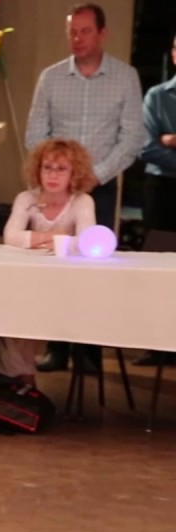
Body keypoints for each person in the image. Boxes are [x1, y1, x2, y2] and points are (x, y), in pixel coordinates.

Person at [25, 2, 143, 373]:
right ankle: (57, 347)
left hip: (99, 187)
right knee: (58, 267)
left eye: (85, 31)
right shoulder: (51, 78)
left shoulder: (125, 78)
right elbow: (34, 134)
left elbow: (132, 138)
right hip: (55, 191)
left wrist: (97, 175)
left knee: (94, 269)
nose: (77, 38)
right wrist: (55, 174)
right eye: (72, 32)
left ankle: (89, 352)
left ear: (102, 34)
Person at [0, 139, 96, 385]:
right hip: (27, 281)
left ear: (74, 173)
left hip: (67, 286)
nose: (53, 175)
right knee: (4, 312)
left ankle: (20, 382)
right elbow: (10, 237)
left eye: (61, 169)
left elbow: (86, 243)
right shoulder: (26, 198)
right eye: (47, 168)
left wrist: (34, 240)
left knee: (25, 311)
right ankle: (22, 380)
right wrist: (56, 237)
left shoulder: (82, 201)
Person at [135, 30, 176, 367]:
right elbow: (147, 148)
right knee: (159, 268)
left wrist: (172, 140)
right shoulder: (157, 96)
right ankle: (156, 344)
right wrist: (162, 142)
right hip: (163, 190)